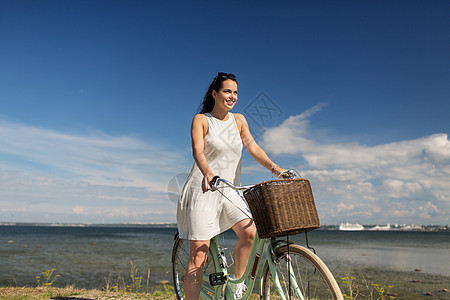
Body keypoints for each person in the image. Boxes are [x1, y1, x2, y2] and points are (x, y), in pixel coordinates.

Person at [177, 72, 285, 299]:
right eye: (227, 91)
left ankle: (237, 289)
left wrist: (277, 169)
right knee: (199, 255)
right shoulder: (202, 120)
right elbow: (197, 151)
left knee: (250, 233)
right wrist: (208, 173)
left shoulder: (239, 120)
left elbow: (253, 148)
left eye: (235, 92)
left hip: (228, 190)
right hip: (204, 188)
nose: (232, 96)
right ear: (215, 93)